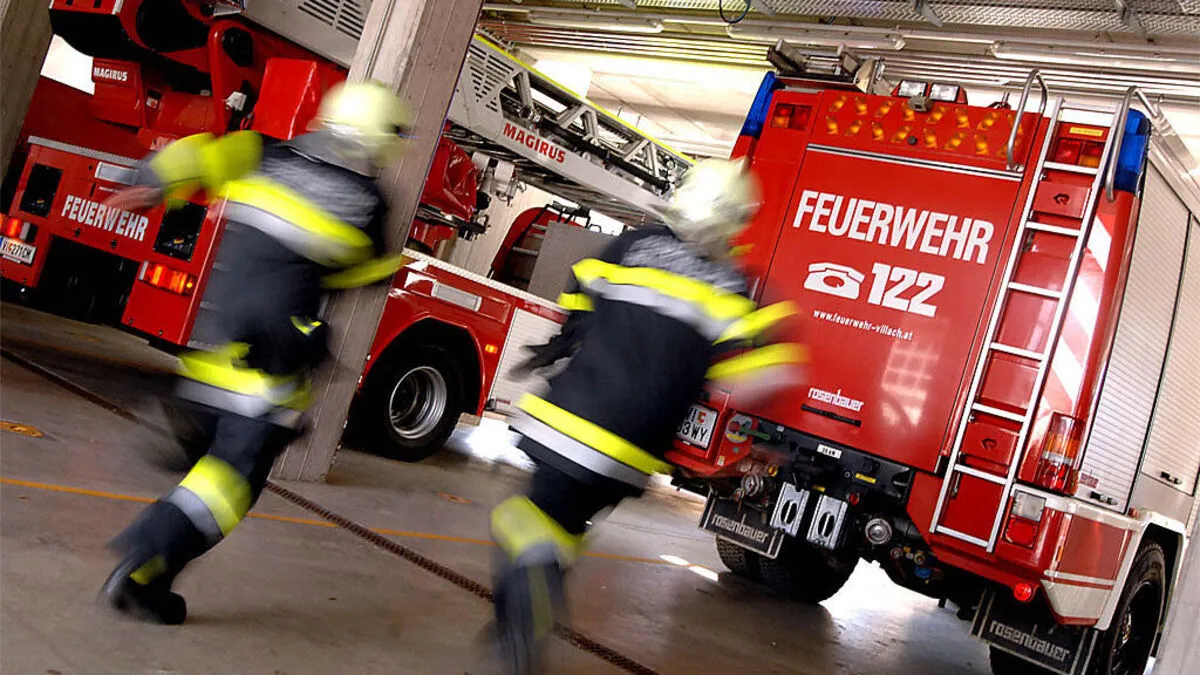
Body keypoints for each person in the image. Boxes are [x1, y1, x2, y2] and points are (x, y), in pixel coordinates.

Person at [98, 81, 412, 624]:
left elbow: (196, 153)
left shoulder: (264, 153)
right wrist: (387, 264)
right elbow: (362, 270)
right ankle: (145, 561)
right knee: (233, 480)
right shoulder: (367, 200)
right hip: (273, 358)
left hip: (214, 340)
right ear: (378, 137)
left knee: (217, 451)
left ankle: (189, 428)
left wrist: (148, 179)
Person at [491, 159, 809, 674]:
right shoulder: (730, 284)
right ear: (736, 221)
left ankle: (522, 624)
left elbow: (576, 296)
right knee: (564, 527)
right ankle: (532, 608)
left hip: (569, 421)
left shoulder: (631, 246)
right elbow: (762, 376)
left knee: (521, 523)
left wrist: (572, 339)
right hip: (633, 452)